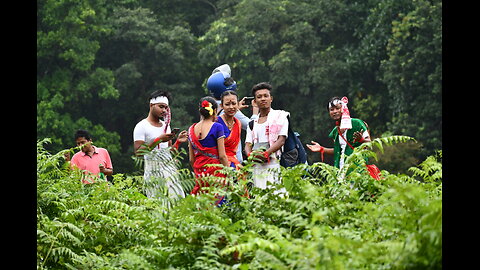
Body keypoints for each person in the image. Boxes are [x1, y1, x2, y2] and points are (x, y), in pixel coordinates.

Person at [133, 90, 188, 198]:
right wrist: (158, 140)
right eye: (161, 107)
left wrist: (178, 142)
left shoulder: (165, 126)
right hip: (152, 171)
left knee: (176, 200)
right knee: (157, 203)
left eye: (166, 108)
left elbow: (169, 152)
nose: (164, 110)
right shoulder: (141, 126)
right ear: (151, 105)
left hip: (169, 171)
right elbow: (138, 152)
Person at [206, 64, 259, 163]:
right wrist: (255, 111)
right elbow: (252, 126)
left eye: (233, 103)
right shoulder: (235, 114)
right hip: (232, 162)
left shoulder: (209, 106)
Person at [244, 82, 289, 190]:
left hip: (275, 164)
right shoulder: (252, 123)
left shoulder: (281, 116)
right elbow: (248, 144)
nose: (263, 99)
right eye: (259, 97)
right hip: (257, 166)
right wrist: (251, 156)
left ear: (271, 98)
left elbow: (281, 140)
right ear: (255, 101)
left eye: (266, 96)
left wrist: (266, 154)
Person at [306, 96, 371, 170]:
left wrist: (361, 140)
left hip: (357, 169)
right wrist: (322, 149)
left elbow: (370, 142)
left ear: (343, 109)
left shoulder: (357, 123)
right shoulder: (335, 131)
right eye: (331, 110)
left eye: (337, 108)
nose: (334, 111)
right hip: (341, 169)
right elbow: (338, 150)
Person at [188, 96, 230, 203]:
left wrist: (199, 172)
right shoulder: (217, 127)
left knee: (203, 206)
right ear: (215, 111)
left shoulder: (191, 129)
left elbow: (191, 159)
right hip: (216, 173)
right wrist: (229, 175)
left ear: (200, 111)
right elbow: (222, 156)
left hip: (200, 173)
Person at [217, 90, 242, 169]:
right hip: (218, 165)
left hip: (234, 164)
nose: (231, 107)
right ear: (221, 106)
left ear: (238, 104)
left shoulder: (238, 123)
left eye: (234, 104)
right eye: (227, 104)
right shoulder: (216, 123)